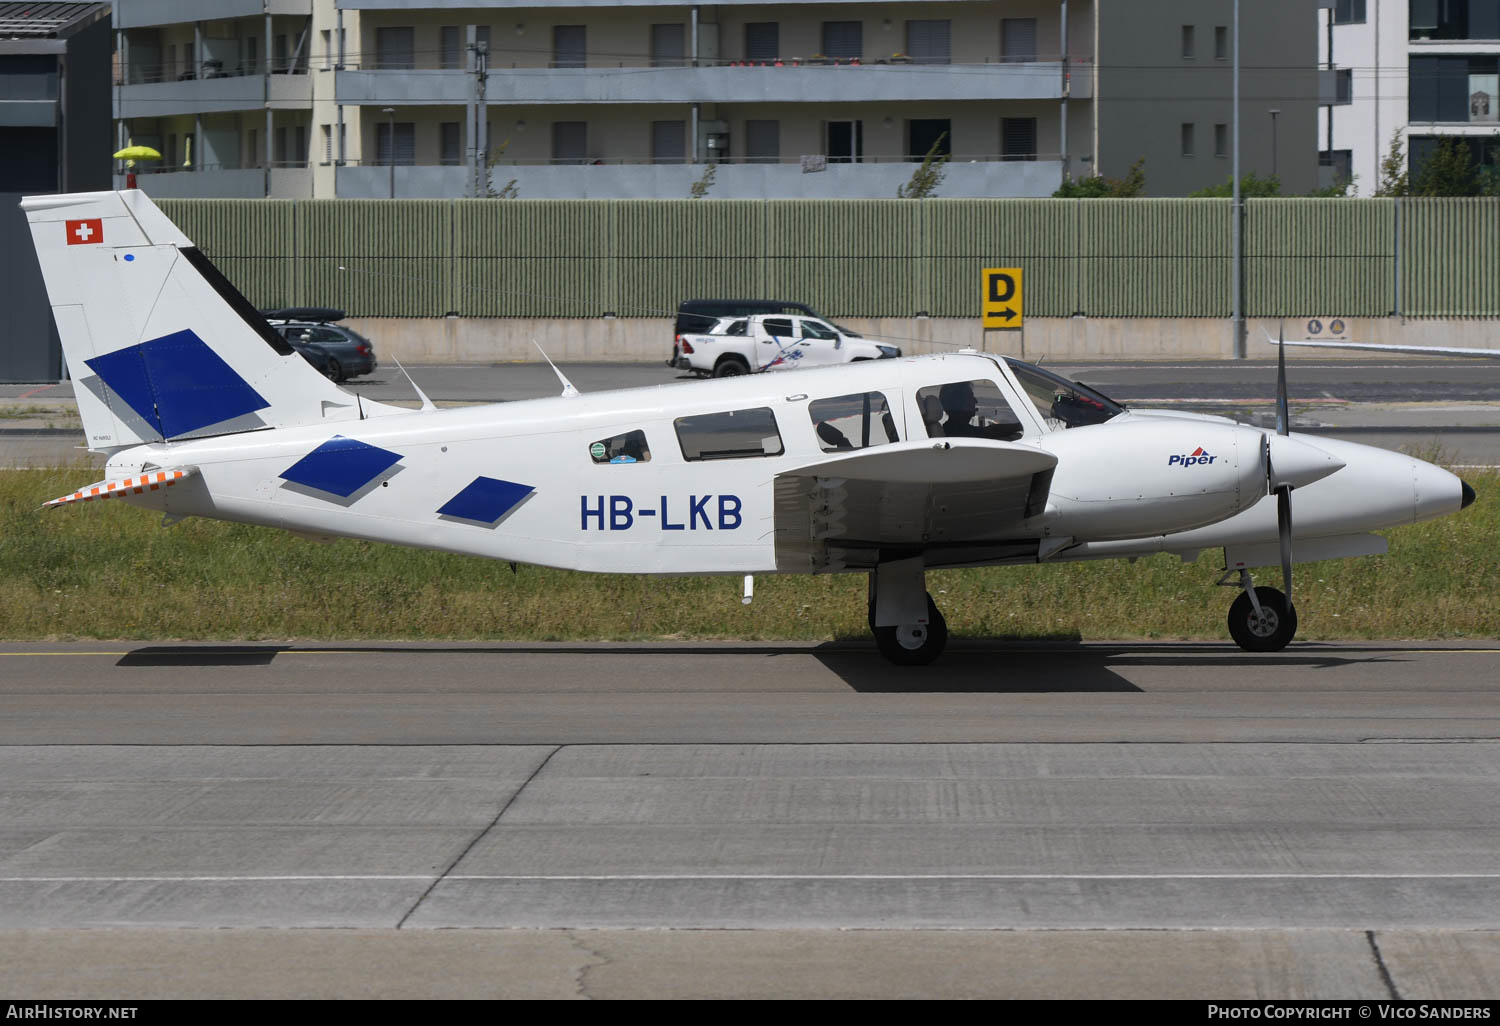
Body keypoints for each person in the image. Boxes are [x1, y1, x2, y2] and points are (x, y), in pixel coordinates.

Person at [938, 381, 1021, 441]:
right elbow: (989, 433)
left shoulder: (956, 428)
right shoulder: (958, 433)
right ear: (959, 403)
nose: (975, 401)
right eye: (970, 397)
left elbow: (989, 431)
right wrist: (1019, 426)